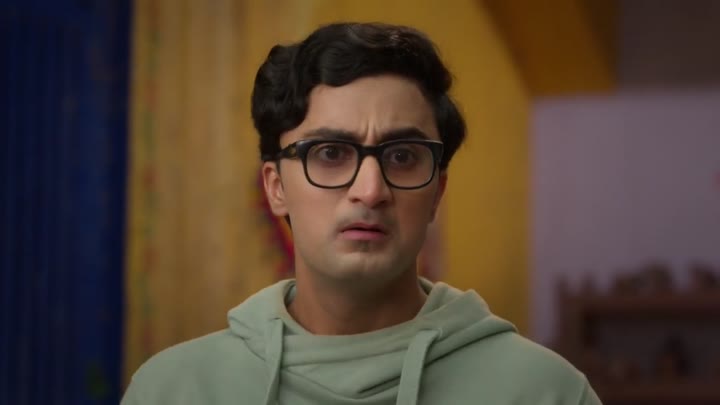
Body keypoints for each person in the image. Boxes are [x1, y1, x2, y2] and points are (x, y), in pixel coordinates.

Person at [122, 22, 602, 405]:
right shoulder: (174, 390)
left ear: (437, 191)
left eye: (402, 156)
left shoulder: (545, 392)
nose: (370, 191)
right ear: (276, 188)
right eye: (331, 153)